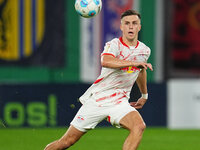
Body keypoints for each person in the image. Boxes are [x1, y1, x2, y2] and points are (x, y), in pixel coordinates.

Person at [44, 9, 153, 150]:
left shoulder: (144, 50)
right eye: (127, 23)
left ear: (139, 27)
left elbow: (140, 71)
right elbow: (106, 61)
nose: (130, 26)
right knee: (66, 142)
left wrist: (144, 95)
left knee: (139, 126)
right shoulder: (114, 45)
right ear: (121, 27)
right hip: (98, 100)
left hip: (119, 102)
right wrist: (132, 63)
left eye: (134, 23)